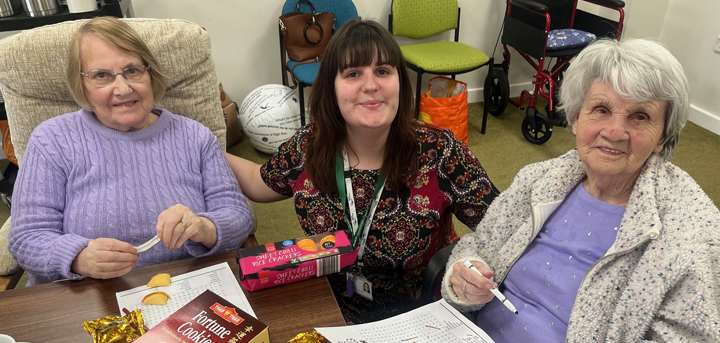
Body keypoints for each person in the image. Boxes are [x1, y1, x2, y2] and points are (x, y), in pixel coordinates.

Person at [442, 38, 720, 342]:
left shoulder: (691, 232)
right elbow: (478, 247)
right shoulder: (538, 181)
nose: (614, 132)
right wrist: (464, 274)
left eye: (639, 117)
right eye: (601, 109)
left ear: (662, 137)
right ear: (575, 118)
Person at [226, 18, 498, 324]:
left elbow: (508, 230)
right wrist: (202, 145)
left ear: (399, 81)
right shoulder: (309, 146)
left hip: (422, 314)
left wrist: (470, 267)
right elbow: (254, 180)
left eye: (382, 71)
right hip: (332, 310)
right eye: (353, 73)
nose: (370, 85)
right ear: (331, 87)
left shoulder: (440, 152)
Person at [8, 17, 253, 286]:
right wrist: (78, 257)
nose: (123, 89)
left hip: (185, 290)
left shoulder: (195, 136)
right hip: (86, 298)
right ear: (82, 86)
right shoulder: (51, 140)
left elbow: (239, 215)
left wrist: (205, 228)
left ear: (150, 74)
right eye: (102, 76)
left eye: (133, 71)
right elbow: (26, 238)